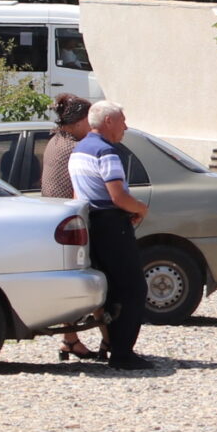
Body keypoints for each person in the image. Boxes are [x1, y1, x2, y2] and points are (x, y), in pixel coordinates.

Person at [70, 100, 152, 370]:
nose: (125, 126)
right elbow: (118, 196)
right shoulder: (106, 152)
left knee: (111, 289)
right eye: (122, 120)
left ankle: (113, 346)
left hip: (91, 224)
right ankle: (123, 352)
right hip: (112, 225)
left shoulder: (80, 149)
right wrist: (141, 208)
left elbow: (77, 194)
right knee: (133, 289)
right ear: (108, 122)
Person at [40, 95, 104, 363]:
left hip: (54, 222)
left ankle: (70, 340)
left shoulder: (55, 141)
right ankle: (108, 341)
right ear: (78, 122)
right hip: (70, 224)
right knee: (96, 280)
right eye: (88, 121)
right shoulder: (76, 148)